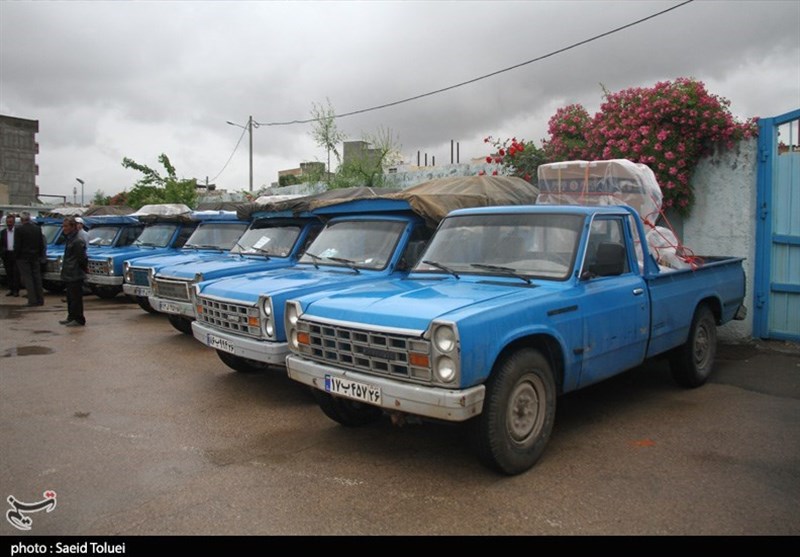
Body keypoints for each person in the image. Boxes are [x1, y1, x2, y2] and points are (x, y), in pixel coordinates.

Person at [59, 216, 88, 326]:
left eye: (66, 226)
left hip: (75, 273)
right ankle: (71, 316)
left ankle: (78, 319)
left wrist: (82, 269)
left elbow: (82, 258)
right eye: (63, 226)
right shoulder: (70, 239)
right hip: (69, 273)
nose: (64, 228)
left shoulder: (77, 241)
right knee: (70, 297)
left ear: (73, 227)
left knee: (76, 298)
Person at [14, 211, 45, 307]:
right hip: (35, 257)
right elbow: (41, 244)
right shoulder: (37, 229)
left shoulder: (19, 229)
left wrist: (16, 256)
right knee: (37, 278)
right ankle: (40, 299)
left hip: (23, 257)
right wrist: (40, 255)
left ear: (22, 219)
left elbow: (17, 245)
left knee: (28, 279)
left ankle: (32, 300)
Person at [0, 213, 20, 296]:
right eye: (8, 222)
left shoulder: (18, 232)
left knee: (16, 273)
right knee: (9, 272)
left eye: (11, 222)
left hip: (15, 254)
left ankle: (16, 290)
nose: (9, 224)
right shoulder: (3, 232)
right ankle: (10, 289)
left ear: (14, 222)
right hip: (7, 254)